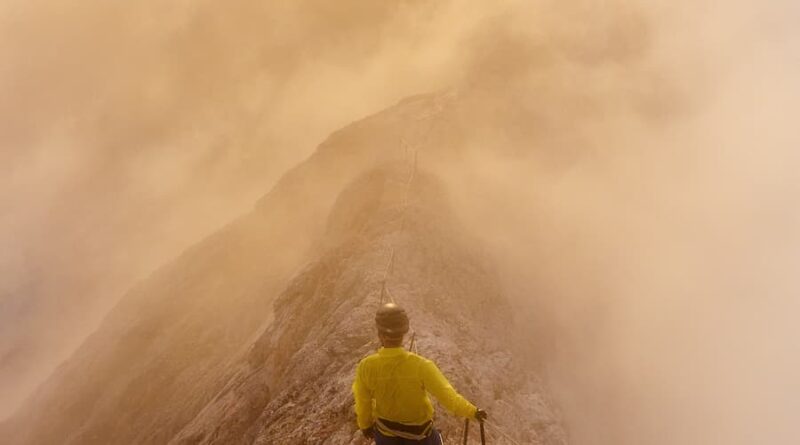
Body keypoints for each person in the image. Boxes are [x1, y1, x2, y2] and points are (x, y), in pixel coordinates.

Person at [352, 303, 488, 444]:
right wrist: (472, 412)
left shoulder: (366, 366)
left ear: (380, 334)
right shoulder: (422, 366)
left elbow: (363, 401)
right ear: (404, 333)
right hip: (420, 436)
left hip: (386, 435)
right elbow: (448, 397)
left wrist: (365, 426)